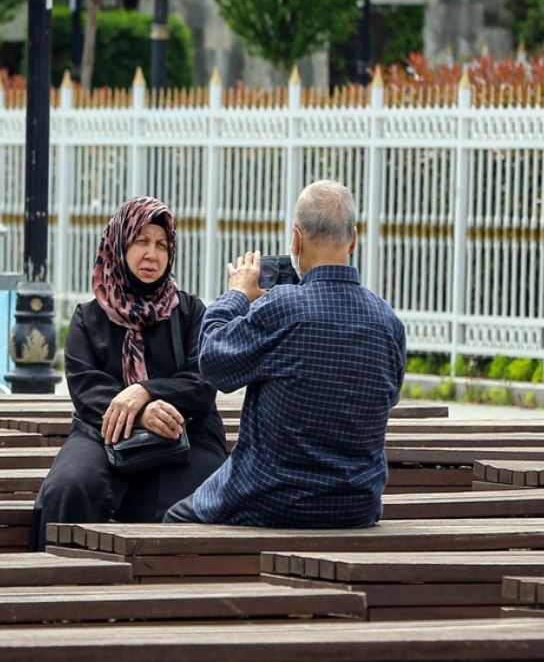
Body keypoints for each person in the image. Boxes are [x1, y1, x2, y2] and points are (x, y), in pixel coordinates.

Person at [164, 179, 405, 529]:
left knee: (175, 521)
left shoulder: (282, 308)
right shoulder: (387, 321)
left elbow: (213, 362)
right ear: (353, 239)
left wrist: (236, 295)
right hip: (356, 504)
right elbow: (389, 397)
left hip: (269, 499)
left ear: (296, 238)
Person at [30, 195, 227, 550]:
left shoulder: (190, 312)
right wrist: (141, 412)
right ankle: (56, 586)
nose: (152, 254)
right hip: (103, 431)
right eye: (141, 241)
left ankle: (158, 598)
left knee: (177, 497)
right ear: (119, 245)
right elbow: (86, 389)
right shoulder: (88, 318)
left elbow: (203, 382)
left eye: (161, 245)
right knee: (69, 487)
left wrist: (146, 391)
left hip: (186, 433)